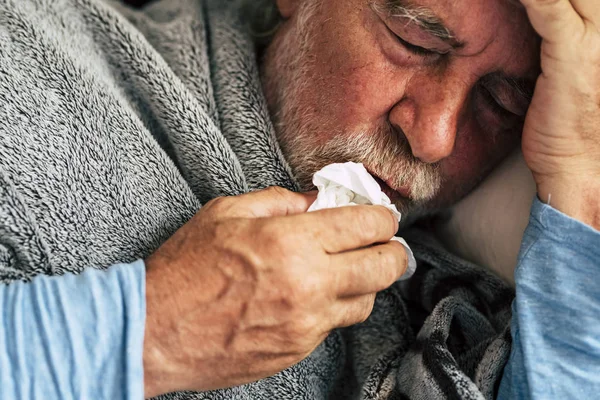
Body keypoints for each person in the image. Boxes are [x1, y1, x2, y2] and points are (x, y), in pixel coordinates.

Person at [0, 0, 598, 398]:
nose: (435, 138)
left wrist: (576, 175)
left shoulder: (452, 318)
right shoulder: (24, 66)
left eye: (502, 103)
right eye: (414, 40)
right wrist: (158, 327)